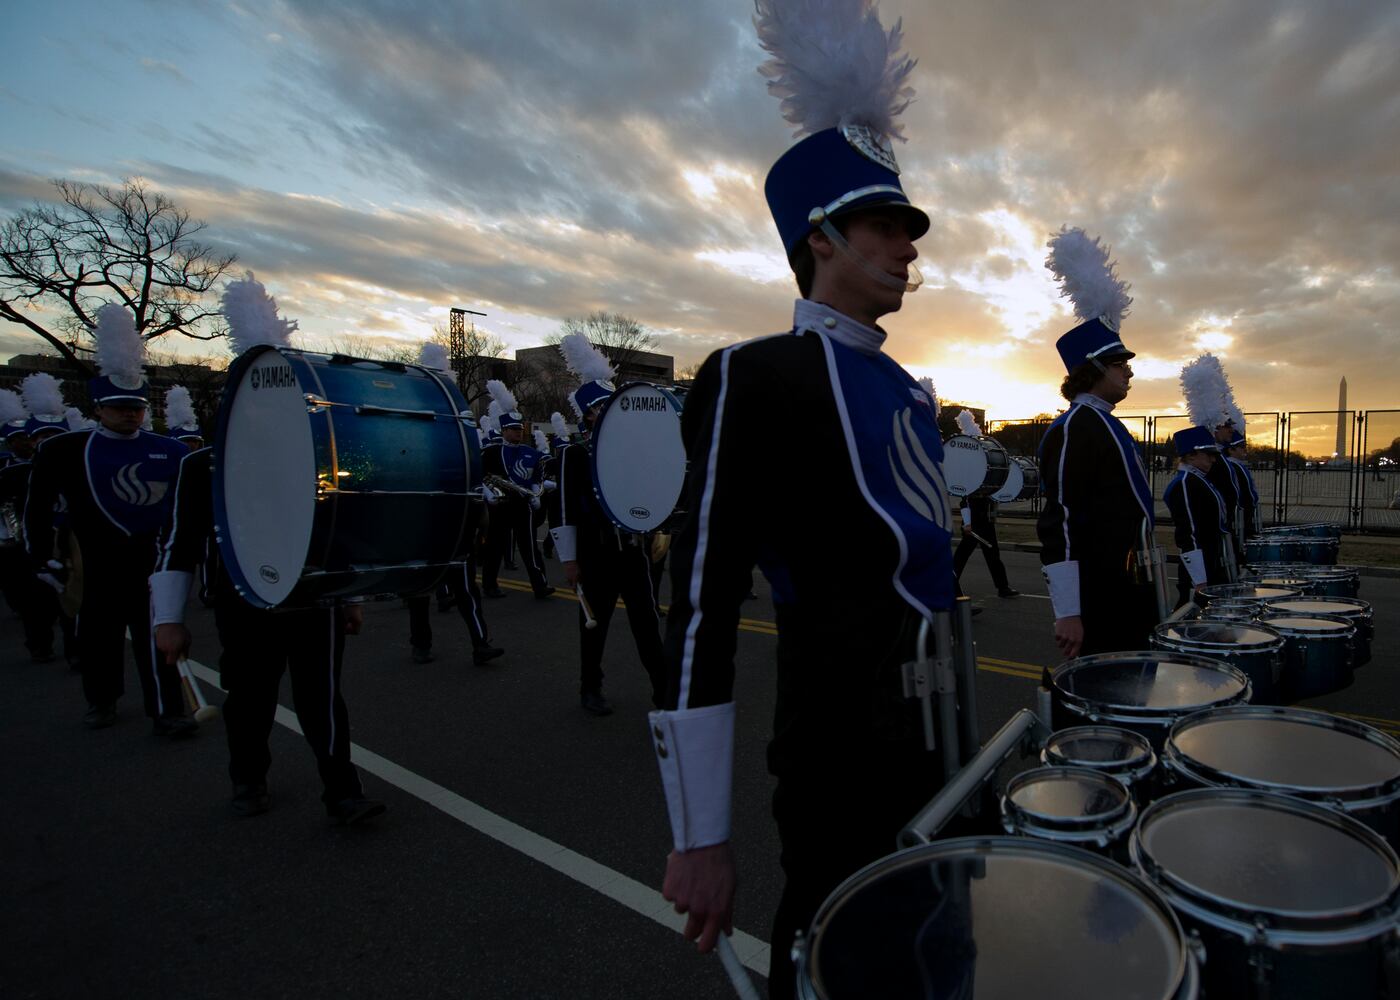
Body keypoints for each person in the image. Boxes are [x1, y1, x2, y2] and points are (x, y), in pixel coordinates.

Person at [650, 5, 956, 993]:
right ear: (819, 235)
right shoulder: (757, 375)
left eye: (908, 227)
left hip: (937, 751)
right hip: (837, 771)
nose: (907, 247)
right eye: (884, 224)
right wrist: (698, 835)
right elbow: (698, 600)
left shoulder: (907, 388)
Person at [150, 272, 384, 823]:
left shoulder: (318, 460)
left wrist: (350, 595)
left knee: (322, 697)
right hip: (243, 598)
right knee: (250, 698)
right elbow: (178, 545)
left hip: (312, 596)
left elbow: (337, 531)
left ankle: (342, 792)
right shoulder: (200, 466)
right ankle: (248, 778)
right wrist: (167, 618)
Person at [24, 306, 194, 735]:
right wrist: (42, 557)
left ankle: (168, 710)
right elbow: (38, 506)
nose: (130, 415)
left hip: (152, 557)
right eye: (118, 408)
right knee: (98, 638)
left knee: (158, 635)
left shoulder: (172, 451)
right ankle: (101, 700)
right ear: (99, 408)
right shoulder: (65, 450)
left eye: (136, 408)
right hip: (96, 559)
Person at [1038, 226, 1157, 660]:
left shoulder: (1106, 424)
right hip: (1100, 596)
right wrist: (1068, 611)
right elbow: (1061, 520)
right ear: (1093, 369)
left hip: (1129, 589)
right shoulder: (1076, 427)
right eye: (1119, 364)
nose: (1129, 372)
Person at [548, 335, 668, 716]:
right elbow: (564, 509)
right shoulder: (575, 454)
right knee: (594, 625)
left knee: (646, 623)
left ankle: (662, 692)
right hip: (594, 552)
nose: (605, 414)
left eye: (610, 407)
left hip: (630, 550)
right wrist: (569, 559)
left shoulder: (632, 451)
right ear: (586, 414)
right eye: (599, 409)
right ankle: (590, 687)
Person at [479, 383, 551, 599]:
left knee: (530, 548)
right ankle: (489, 585)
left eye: (520, 429)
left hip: (522, 505)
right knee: (495, 547)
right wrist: (488, 493)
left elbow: (537, 476)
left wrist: (537, 490)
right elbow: (479, 476)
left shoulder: (531, 453)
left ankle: (540, 585)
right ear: (504, 431)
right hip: (499, 505)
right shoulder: (491, 452)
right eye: (513, 430)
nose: (518, 433)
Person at [949, 410, 1018, 598]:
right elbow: (964, 499)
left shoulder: (982, 475)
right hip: (973, 522)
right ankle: (949, 585)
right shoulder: (967, 475)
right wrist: (967, 523)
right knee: (962, 557)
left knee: (992, 553)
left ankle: (1002, 587)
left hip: (984, 520)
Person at [1162, 427, 1229, 606]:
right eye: (1208, 454)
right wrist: (1199, 579)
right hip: (1200, 570)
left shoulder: (1199, 480)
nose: (1213, 459)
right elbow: (1188, 534)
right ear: (1191, 455)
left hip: (1211, 562)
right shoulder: (1184, 484)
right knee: (1192, 622)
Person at [1225, 432, 1260, 537]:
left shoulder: (1235, 465)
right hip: (1241, 517)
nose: (1245, 449)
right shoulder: (1235, 466)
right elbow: (1247, 493)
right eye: (1241, 447)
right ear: (1231, 450)